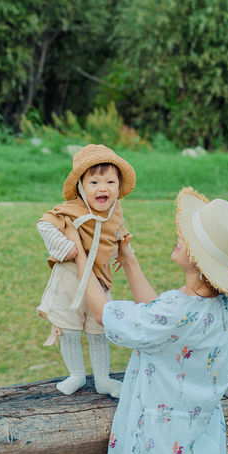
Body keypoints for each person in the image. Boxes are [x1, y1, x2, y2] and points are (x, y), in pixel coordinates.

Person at [71, 184, 228, 454]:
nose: (178, 234)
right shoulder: (222, 309)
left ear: (200, 261)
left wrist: (81, 254)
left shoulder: (179, 312)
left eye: (186, 236)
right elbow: (157, 324)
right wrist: (128, 260)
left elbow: (106, 314)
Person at [35, 143, 136, 398]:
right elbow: (44, 225)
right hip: (70, 276)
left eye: (111, 182)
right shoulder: (72, 209)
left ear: (119, 186)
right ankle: (77, 375)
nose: (103, 188)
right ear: (81, 186)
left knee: (98, 329)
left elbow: (115, 231)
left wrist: (121, 244)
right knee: (69, 328)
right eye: (94, 183)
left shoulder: (116, 211)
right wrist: (63, 246)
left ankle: (103, 379)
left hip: (99, 280)